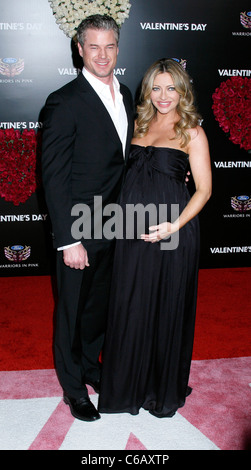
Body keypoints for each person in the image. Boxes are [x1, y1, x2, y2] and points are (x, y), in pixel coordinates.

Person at [98, 58, 212, 418]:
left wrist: (173, 226)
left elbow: (204, 190)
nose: (164, 96)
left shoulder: (192, 130)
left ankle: (159, 389)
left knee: (165, 307)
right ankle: (127, 386)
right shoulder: (136, 125)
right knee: (129, 307)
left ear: (183, 90)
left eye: (171, 88)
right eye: (157, 88)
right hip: (130, 231)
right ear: (148, 90)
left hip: (173, 233)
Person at [41, 15, 134, 421]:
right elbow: (54, 177)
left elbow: (126, 159)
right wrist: (68, 239)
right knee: (71, 311)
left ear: (117, 48)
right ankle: (73, 388)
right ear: (79, 49)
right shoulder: (64, 101)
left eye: (109, 46)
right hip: (79, 227)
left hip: (115, 224)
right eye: (93, 46)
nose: (102, 54)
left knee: (99, 307)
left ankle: (91, 366)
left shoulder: (127, 93)